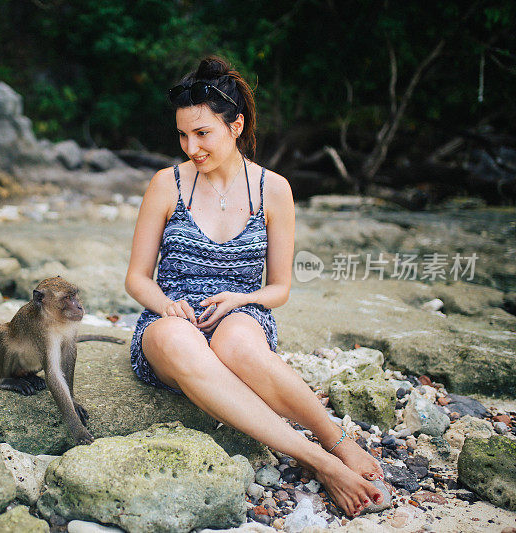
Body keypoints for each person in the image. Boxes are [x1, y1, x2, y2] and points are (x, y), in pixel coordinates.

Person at [124, 56, 386, 517]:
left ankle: (335, 439)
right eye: (183, 135)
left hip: (242, 313)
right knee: (181, 341)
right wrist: (167, 305)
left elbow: (279, 288)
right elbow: (136, 278)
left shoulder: (275, 190)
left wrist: (243, 298)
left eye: (202, 133)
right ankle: (318, 461)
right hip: (170, 321)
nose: (191, 147)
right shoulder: (166, 185)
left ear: (236, 124)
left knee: (240, 345)